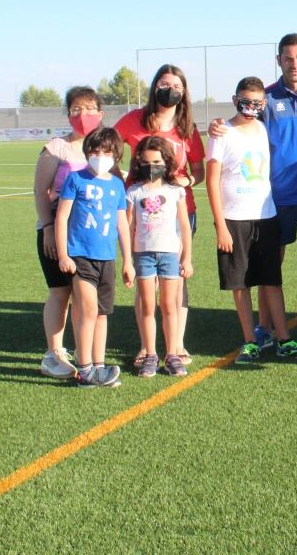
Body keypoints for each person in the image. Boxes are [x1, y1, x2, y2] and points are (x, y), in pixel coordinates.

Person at [209, 34, 297, 357]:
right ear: (279, 60)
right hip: (273, 200)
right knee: (269, 266)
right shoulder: (266, 98)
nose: (294, 64)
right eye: (288, 58)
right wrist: (217, 125)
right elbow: (240, 125)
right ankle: (263, 328)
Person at [115, 65, 204, 367]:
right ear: (155, 87)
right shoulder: (133, 120)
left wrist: (187, 181)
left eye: (177, 85)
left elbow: (199, 171)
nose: (170, 89)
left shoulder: (186, 128)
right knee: (145, 281)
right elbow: (108, 148)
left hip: (179, 212)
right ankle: (146, 347)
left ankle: (176, 345)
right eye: (165, 83)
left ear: (184, 91)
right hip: (139, 213)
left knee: (177, 277)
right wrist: (120, 180)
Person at [206, 77, 297, 365]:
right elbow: (211, 181)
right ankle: (250, 341)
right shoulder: (222, 132)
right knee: (241, 283)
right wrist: (220, 225)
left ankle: (283, 338)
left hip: (265, 217)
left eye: (258, 103)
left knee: (271, 280)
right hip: (234, 220)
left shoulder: (261, 128)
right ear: (235, 100)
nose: (251, 108)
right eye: (246, 102)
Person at [54, 127, 134, 388]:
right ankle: (85, 369)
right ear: (87, 152)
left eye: (107, 152)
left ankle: (98, 366)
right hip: (80, 257)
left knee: (102, 314)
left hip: (106, 258)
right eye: (95, 151)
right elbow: (62, 217)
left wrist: (128, 261)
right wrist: (64, 254)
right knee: (87, 310)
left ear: (116, 155)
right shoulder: (76, 179)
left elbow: (122, 224)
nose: (100, 156)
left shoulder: (116, 185)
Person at [33, 86, 103, 379]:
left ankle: (85, 353)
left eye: (89, 109)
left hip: (88, 236)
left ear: (100, 114)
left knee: (85, 296)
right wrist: (48, 226)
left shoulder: (103, 149)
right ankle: (54, 353)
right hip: (58, 233)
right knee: (60, 293)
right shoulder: (57, 148)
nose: (82, 115)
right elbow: (40, 191)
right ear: (68, 113)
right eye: (76, 109)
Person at [125, 136, 194, 377]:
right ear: (138, 163)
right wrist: (127, 261)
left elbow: (184, 226)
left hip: (169, 254)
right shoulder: (134, 192)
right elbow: (129, 226)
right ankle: (151, 353)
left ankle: (172, 353)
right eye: (146, 162)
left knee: (169, 306)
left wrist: (187, 257)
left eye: (156, 161)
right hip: (143, 255)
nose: (152, 166)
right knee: (147, 305)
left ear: (166, 162)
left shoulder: (176, 191)